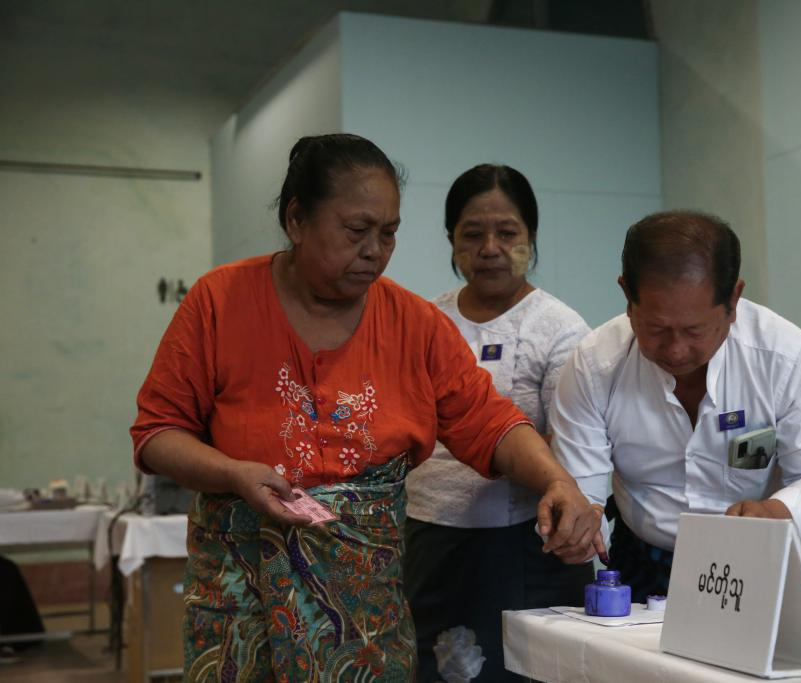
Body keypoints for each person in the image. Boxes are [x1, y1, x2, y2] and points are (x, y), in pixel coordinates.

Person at [130, 134, 600, 681]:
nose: (375, 250)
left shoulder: (414, 324)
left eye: (389, 233)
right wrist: (232, 473)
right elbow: (158, 432)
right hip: (240, 595)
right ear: (297, 220)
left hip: (363, 613)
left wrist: (556, 481)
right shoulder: (219, 301)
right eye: (357, 231)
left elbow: (489, 421)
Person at [550, 210, 801, 599]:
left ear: (733, 300)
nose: (676, 350)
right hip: (648, 559)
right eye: (656, 329)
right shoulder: (595, 366)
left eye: (695, 330)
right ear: (627, 297)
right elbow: (582, 493)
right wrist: (579, 529)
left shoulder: (783, 357)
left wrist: (777, 512)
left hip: (772, 551)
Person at [403, 165, 595, 682]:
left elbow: (574, 443)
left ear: (531, 237)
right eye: (472, 234)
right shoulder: (424, 320)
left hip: (526, 543)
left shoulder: (560, 327)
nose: (490, 248)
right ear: (451, 240)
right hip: (429, 539)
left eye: (507, 233)